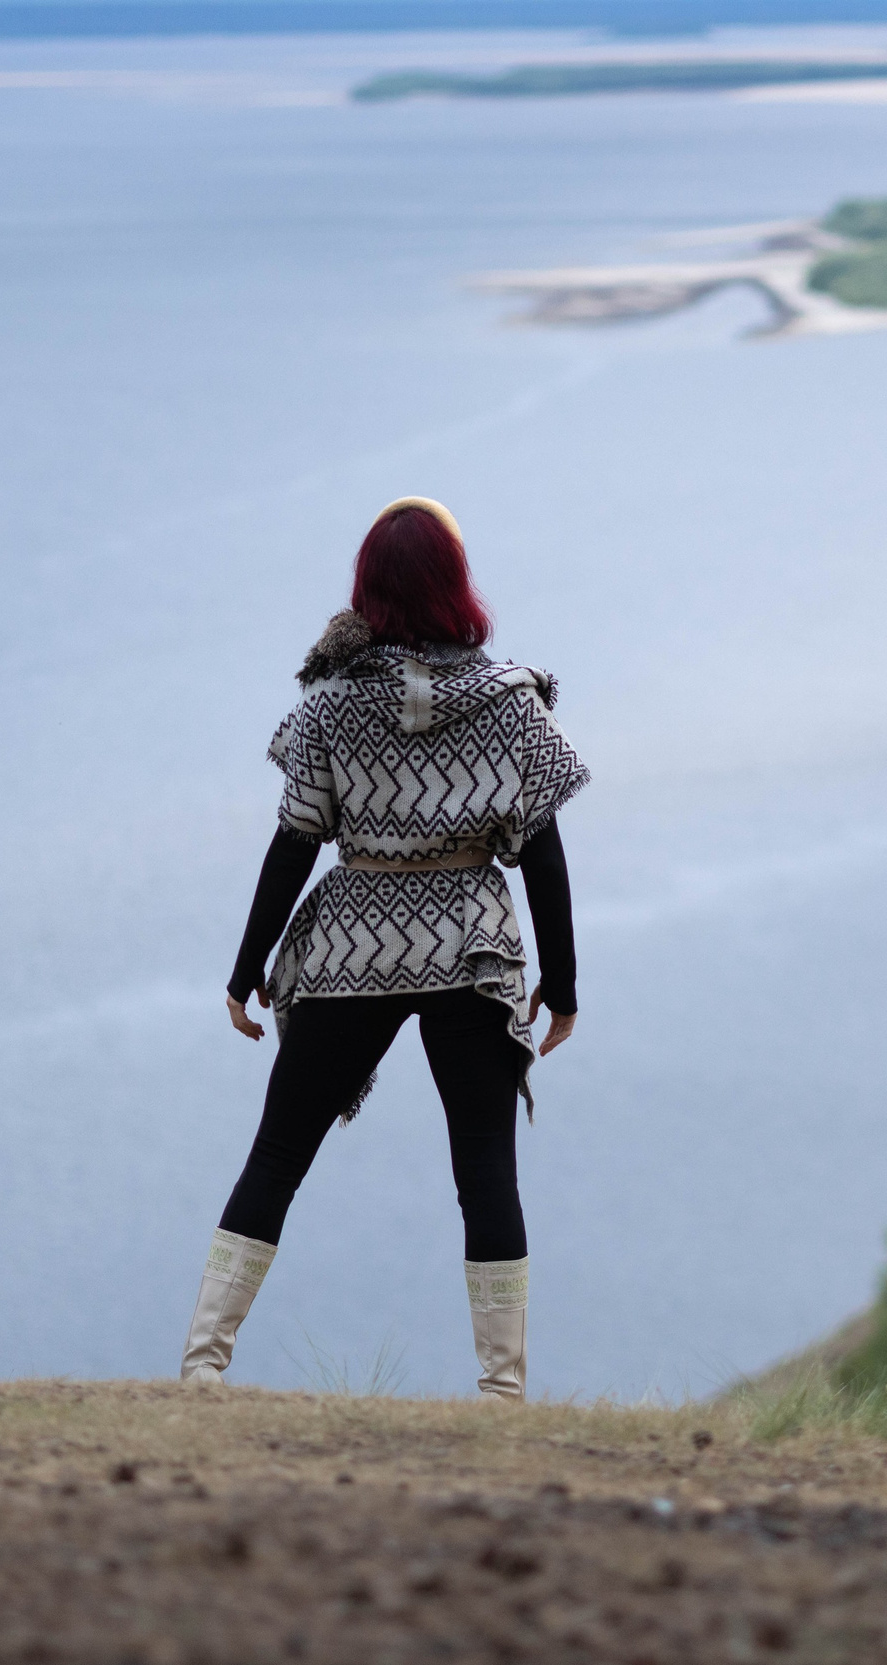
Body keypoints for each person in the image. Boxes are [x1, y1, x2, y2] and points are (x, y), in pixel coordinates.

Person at [179, 496, 588, 1399]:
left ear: (366, 590)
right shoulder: (512, 702)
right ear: (456, 584)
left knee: (277, 1156)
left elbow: (295, 841)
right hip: (470, 948)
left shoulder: (328, 708)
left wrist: (245, 972)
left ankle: (202, 1365)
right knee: (484, 1164)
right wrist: (561, 986)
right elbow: (544, 850)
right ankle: (502, 1393)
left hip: (349, 945)